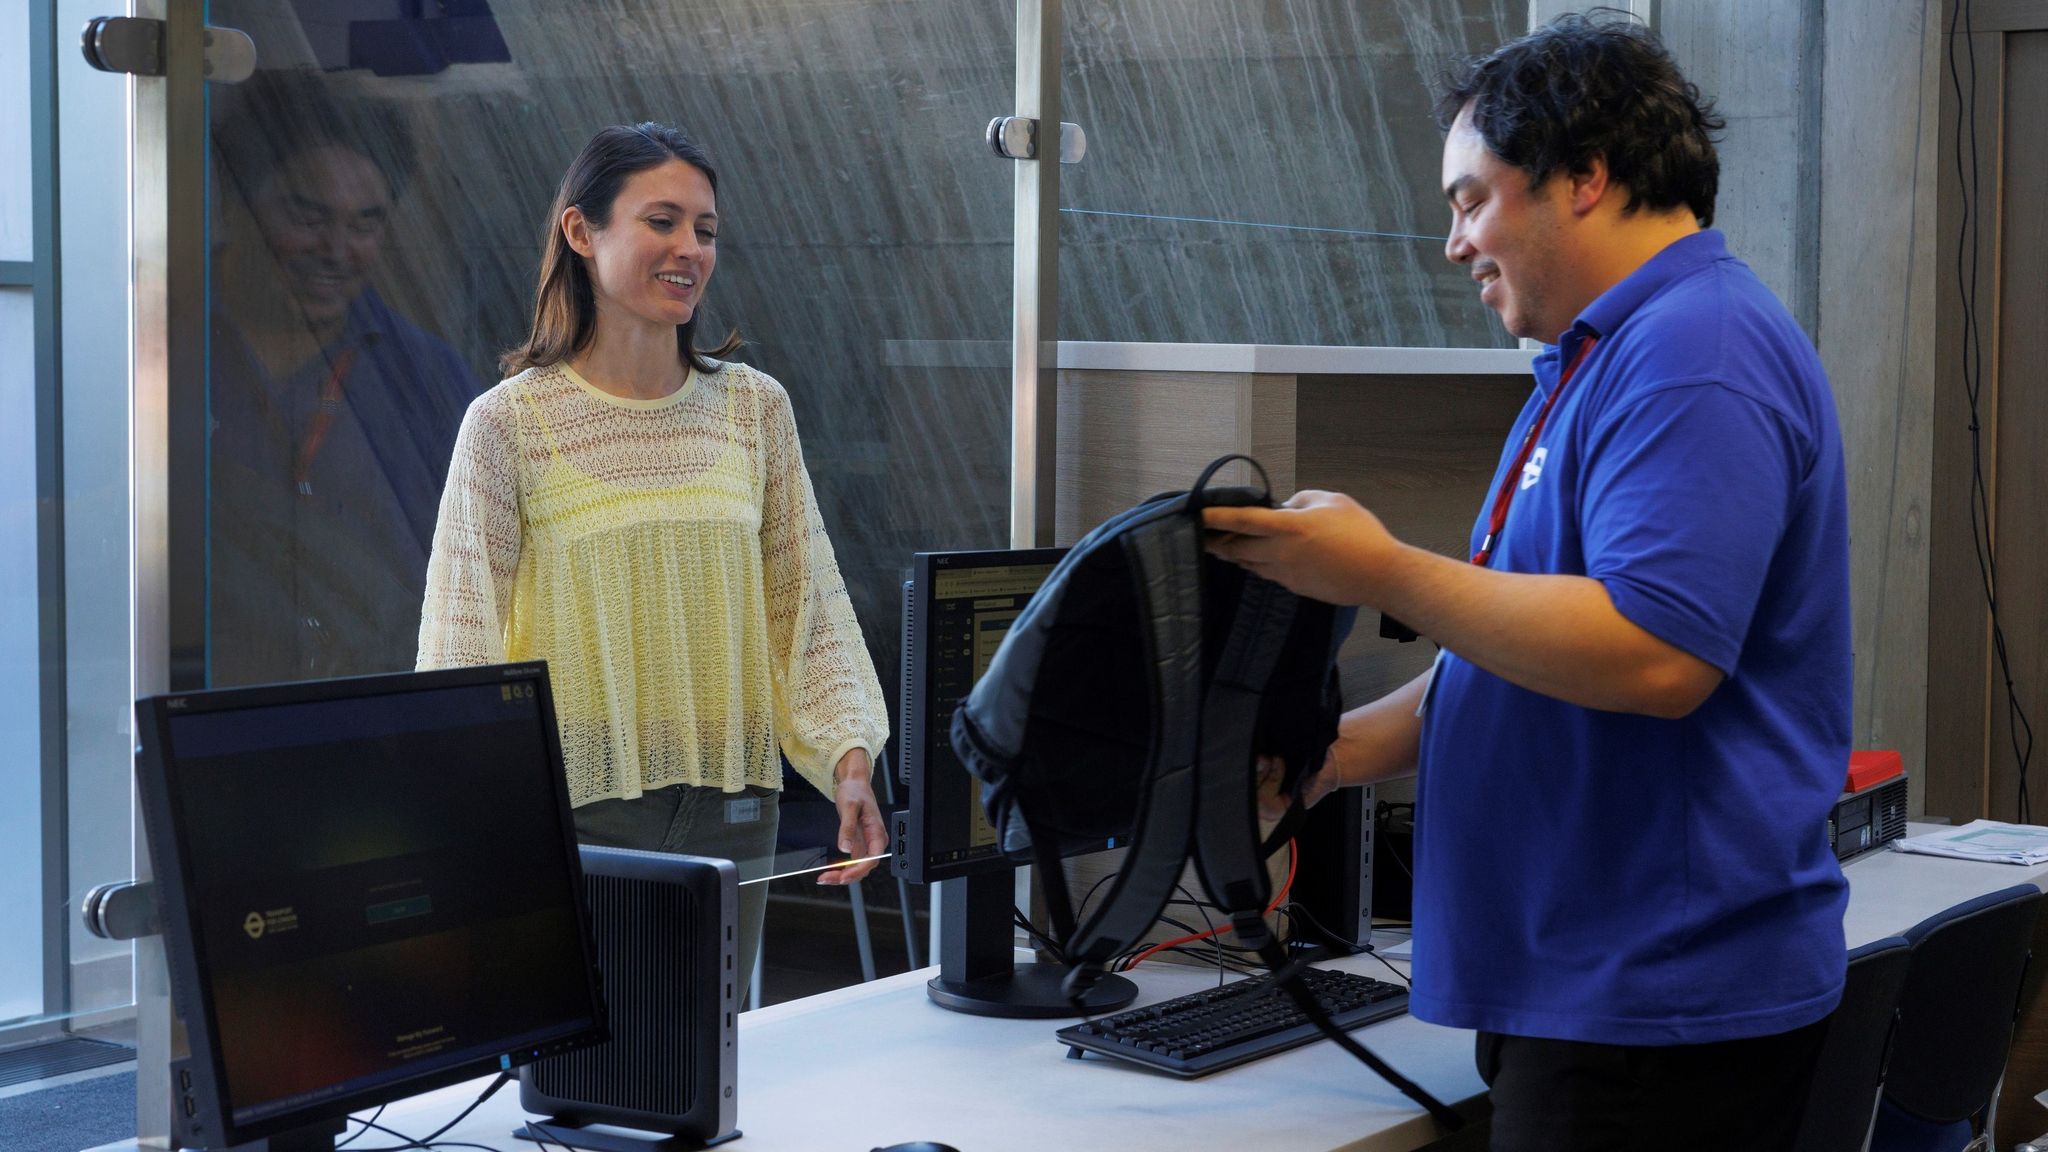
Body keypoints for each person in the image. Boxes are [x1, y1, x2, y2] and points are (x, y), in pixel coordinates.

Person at [1205, 14, 1849, 1151]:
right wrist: (1332, 757)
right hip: (1593, 986)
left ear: (1584, 177)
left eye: (1469, 200)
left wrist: (1381, 571)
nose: (1453, 243)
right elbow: (1518, 653)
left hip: (1650, 1004)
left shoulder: (1694, 351)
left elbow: (1653, 655)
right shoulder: (1598, 360)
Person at [416, 123, 891, 992]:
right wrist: (469, 819)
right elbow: (460, 641)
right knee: (583, 1082)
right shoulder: (509, 424)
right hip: (576, 813)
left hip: (737, 808)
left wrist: (849, 759)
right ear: (580, 231)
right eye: (662, 222)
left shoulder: (753, 409)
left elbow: (805, 602)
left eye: (704, 230)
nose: (689, 250)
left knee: (705, 1074)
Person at [209, 71, 482, 687]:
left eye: (364, 224)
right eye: (306, 216)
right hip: (190, 717)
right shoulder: (149, 351)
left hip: (376, 723)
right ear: (236, 200)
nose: (336, 249)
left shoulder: (425, 377)